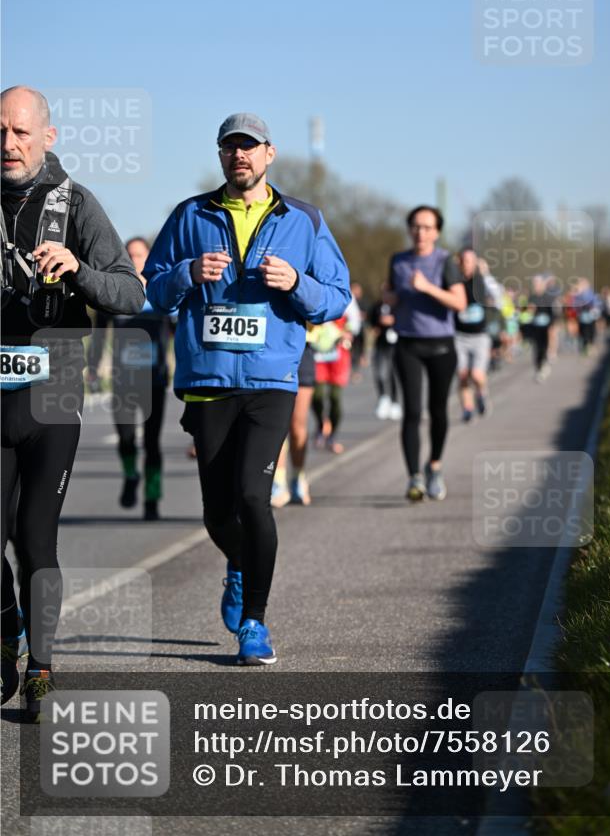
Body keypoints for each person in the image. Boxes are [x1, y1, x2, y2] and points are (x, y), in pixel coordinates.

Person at [143, 113, 349, 665]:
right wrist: (187, 273)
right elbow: (152, 290)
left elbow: (338, 296)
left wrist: (297, 284)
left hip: (270, 380)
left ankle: (254, 623)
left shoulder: (304, 219)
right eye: (230, 147)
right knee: (218, 514)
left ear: (269, 154)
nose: (240, 155)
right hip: (209, 381)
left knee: (255, 497)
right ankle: (238, 563)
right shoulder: (190, 215)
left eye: (249, 147)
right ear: (220, 156)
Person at [1, 86, 144, 718]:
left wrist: (78, 270)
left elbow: (131, 294)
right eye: (0, 131)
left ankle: (40, 666)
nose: (9, 144)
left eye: (21, 132)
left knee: (34, 537)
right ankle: (7, 632)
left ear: (47, 137)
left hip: (53, 386)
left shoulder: (76, 204)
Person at [87, 237, 176, 520]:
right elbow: (99, 336)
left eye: (140, 255)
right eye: (131, 255)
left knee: (151, 443)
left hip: (154, 380)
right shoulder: (113, 294)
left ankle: (152, 498)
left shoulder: (161, 294)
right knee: (126, 439)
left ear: (149, 258)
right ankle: (130, 475)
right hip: (123, 379)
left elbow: (180, 332)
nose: (135, 260)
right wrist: (92, 368)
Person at [388, 206, 466, 502]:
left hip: (441, 345)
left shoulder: (446, 261)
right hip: (408, 343)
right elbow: (392, 295)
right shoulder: (398, 260)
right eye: (416, 226)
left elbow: (459, 302)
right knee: (411, 411)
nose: (420, 232)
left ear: (437, 232)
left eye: (427, 227)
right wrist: (389, 298)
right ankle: (414, 478)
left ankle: (434, 466)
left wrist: (427, 288)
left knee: (437, 410)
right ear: (409, 229)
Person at [454, 250, 503, 422]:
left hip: (480, 336)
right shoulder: (455, 281)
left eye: (470, 261)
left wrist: (486, 274)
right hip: (459, 335)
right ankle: (467, 409)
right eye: (464, 261)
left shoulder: (482, 282)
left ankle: (481, 393)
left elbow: (498, 297)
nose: (466, 264)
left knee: (476, 375)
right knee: (462, 375)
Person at [270, 330, 316, 508]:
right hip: (273, 350)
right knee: (277, 425)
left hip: (301, 350)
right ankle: (278, 482)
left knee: (297, 426)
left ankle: (298, 477)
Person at [311, 298, 361, 454]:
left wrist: (349, 332)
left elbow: (354, 320)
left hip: (339, 352)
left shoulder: (346, 293)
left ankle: (332, 436)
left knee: (335, 397)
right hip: (318, 351)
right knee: (317, 396)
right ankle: (321, 425)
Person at [369, 282, 402, 421]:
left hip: (395, 345)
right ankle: (383, 398)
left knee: (393, 373)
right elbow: (372, 322)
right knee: (380, 373)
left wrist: (393, 321)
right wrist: (378, 324)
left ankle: (395, 401)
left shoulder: (398, 306)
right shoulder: (377, 307)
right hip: (381, 344)